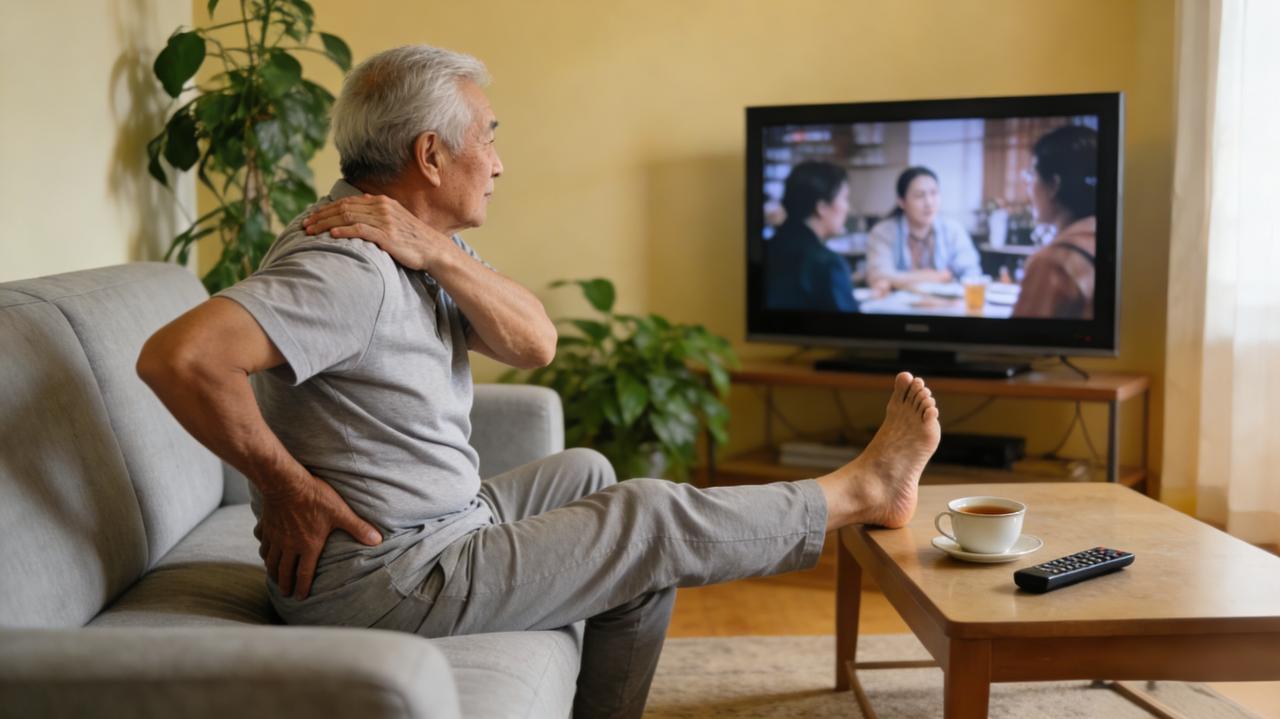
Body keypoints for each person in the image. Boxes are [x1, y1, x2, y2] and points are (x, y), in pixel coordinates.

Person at [135, 45, 941, 719]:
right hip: (389, 575)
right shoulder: (346, 265)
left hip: (439, 525)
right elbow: (180, 357)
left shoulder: (412, 244)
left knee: (588, 471)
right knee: (647, 516)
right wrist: (284, 485)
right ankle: (859, 491)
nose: (499, 161)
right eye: (488, 136)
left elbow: (536, 342)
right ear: (429, 153)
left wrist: (441, 254)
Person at [1012, 125, 1098, 320]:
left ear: (1054, 185)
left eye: (1031, 174)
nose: (1027, 185)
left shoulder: (1053, 261)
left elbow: (1020, 343)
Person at [866, 166, 982, 294]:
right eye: (919, 196)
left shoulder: (953, 230)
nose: (929, 202)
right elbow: (879, 276)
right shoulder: (883, 232)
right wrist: (939, 276)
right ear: (901, 202)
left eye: (934, 193)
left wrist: (898, 280)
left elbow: (973, 275)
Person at [765, 161, 859, 312]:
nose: (848, 208)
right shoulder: (828, 264)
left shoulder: (765, 248)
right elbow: (851, 330)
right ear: (822, 207)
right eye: (845, 198)